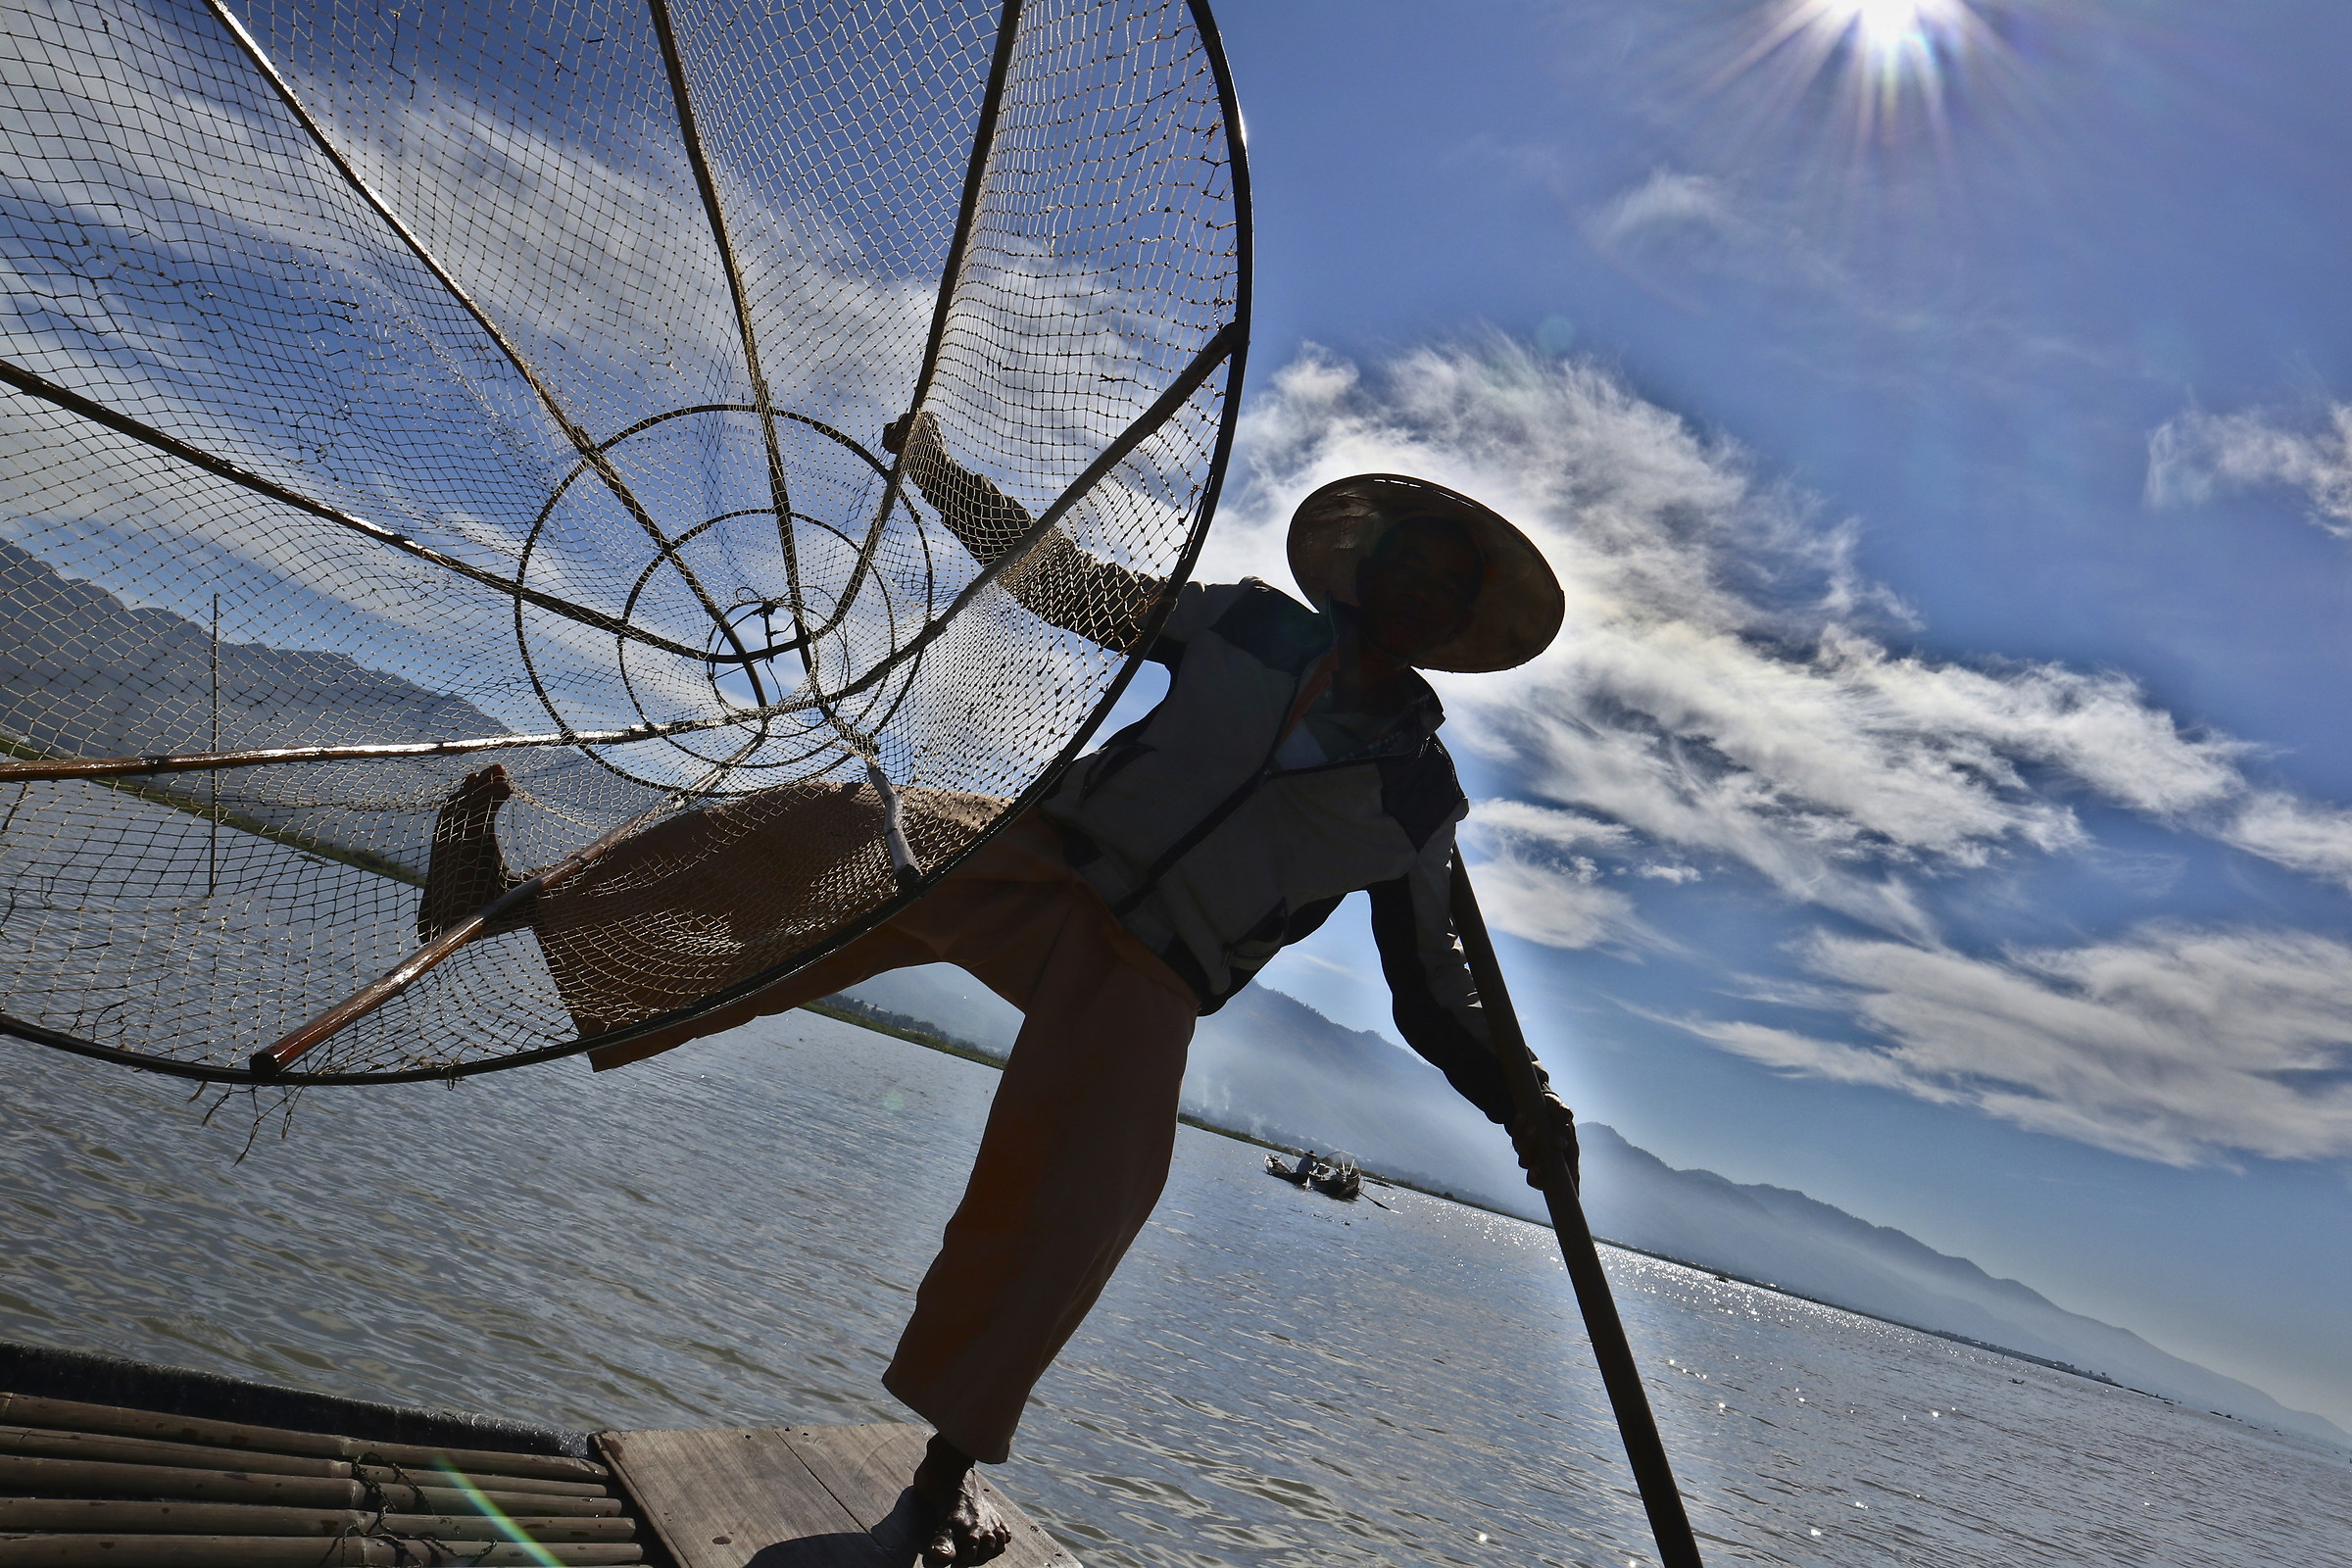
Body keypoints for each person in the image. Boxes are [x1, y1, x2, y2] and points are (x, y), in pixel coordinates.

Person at [417, 413, 1577, 1565]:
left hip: (1153, 971)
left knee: (1077, 1203)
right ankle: (508, 903)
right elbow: (1065, 588)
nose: (1417, 587)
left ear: (1455, 624)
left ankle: (936, 1484)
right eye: (1406, 561)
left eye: (1444, 585)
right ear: (1366, 570)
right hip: (1042, 856)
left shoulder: (1422, 799)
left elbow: (1434, 993)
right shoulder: (1247, 624)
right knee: (837, 827)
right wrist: (937, 472)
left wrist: (1524, 1100)